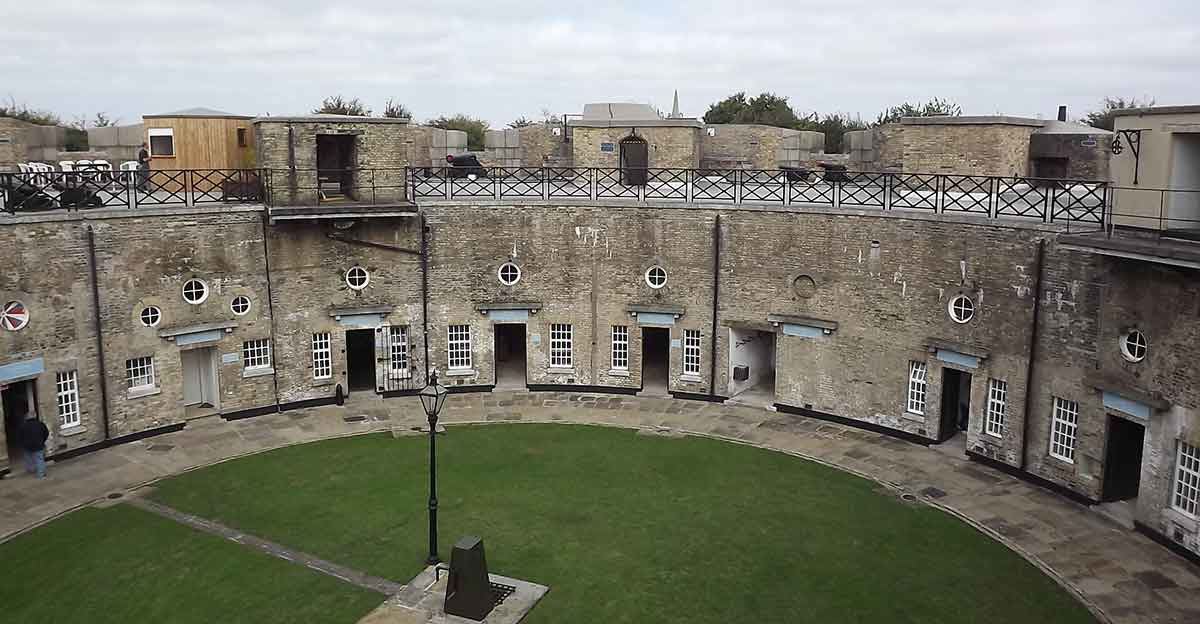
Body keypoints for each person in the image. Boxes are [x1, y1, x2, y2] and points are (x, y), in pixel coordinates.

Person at [18, 413, 49, 478]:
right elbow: (46, 433)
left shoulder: (23, 426)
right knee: (39, 459)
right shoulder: (40, 424)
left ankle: (31, 470)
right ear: (35, 417)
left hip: (27, 445)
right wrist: (42, 440)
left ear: (27, 418)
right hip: (38, 444)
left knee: (28, 458)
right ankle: (40, 474)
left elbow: (20, 436)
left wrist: (22, 443)